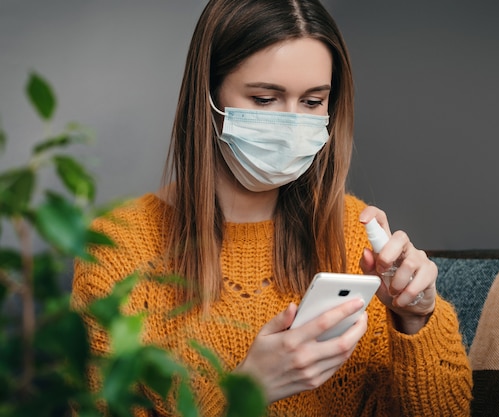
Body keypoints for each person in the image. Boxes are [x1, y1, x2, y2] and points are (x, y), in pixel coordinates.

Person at [71, 0, 473, 415]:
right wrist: (244, 392)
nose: (292, 124)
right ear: (208, 95)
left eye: (313, 102)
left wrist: (417, 319)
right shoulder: (117, 248)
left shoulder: (358, 236)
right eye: (265, 99)